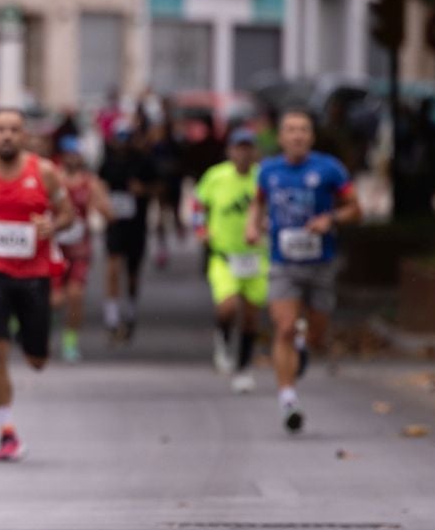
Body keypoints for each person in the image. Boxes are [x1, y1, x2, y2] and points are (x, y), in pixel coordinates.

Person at [0, 107, 75, 462]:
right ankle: (6, 431)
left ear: (24, 136)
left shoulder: (45, 171)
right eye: (0, 129)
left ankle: (35, 344)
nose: (7, 135)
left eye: (14, 130)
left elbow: (68, 214)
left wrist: (52, 227)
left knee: (36, 358)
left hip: (36, 275)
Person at [247, 109, 361, 434]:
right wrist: (252, 226)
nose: (297, 136)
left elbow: (356, 208)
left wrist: (331, 220)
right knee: (283, 327)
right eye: (291, 130)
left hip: (321, 262)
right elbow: (258, 202)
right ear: (281, 137)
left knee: (316, 334)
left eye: (303, 130)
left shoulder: (329, 170)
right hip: (283, 263)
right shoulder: (268, 171)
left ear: (311, 137)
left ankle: (302, 347)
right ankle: (287, 399)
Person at [193, 128, 265, 395]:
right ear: (230, 151)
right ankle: (222, 338)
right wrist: (201, 230)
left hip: (257, 257)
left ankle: (244, 368)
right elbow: (198, 205)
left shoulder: (263, 178)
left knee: (251, 317)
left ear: (255, 152)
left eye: (248, 148)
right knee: (228, 306)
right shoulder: (216, 177)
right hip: (224, 256)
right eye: (239, 148)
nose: (243, 153)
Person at [51, 137, 109, 363]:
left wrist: (101, 209)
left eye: (76, 153)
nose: (72, 158)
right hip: (54, 249)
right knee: (54, 300)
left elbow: (107, 213)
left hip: (80, 251)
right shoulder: (52, 179)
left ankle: (70, 340)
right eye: (68, 153)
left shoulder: (91, 183)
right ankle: (43, 325)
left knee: (75, 296)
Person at [97, 125, 155, 341]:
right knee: (112, 267)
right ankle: (111, 317)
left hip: (136, 224)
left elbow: (159, 187)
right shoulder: (108, 163)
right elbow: (98, 185)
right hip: (114, 223)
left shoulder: (142, 162)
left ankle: (130, 311)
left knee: (132, 272)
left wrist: (144, 190)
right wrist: (103, 206)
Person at [147, 120, 186, 268]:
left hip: (173, 185)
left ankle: (177, 228)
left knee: (174, 212)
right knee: (161, 217)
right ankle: (162, 247)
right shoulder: (156, 147)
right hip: (162, 186)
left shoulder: (174, 146)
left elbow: (181, 164)